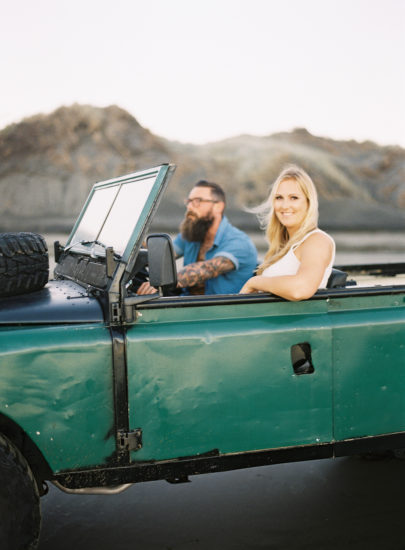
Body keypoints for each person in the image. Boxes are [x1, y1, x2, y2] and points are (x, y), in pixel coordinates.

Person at [138, 180, 257, 295]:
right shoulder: (192, 234)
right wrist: (134, 245)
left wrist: (161, 283)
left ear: (218, 207)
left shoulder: (239, 242)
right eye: (188, 201)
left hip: (220, 312)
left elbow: (206, 269)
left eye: (197, 201)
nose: (189, 207)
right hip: (185, 303)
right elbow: (159, 257)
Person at [239, 165, 335, 300]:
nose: (284, 206)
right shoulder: (283, 245)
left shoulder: (317, 240)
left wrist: (255, 282)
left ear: (308, 202)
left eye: (294, 198)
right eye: (279, 197)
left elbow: (301, 289)